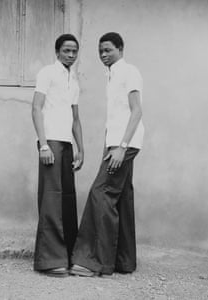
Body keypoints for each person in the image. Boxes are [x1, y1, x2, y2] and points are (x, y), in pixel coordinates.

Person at [70, 32, 144, 276]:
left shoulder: (129, 71)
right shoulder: (111, 76)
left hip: (126, 144)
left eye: (108, 50)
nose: (103, 55)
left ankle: (94, 263)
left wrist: (122, 147)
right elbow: (113, 119)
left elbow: (136, 112)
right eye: (100, 51)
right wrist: (108, 148)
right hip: (116, 145)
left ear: (120, 49)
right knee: (122, 196)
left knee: (100, 193)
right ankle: (124, 261)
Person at [32, 34, 84, 277]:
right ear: (57, 51)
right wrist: (43, 145)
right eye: (66, 50)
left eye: (74, 51)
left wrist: (81, 148)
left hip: (66, 144)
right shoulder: (47, 73)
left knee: (67, 200)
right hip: (50, 141)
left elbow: (75, 118)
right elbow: (36, 108)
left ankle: (68, 255)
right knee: (51, 199)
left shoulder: (73, 80)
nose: (70, 55)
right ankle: (49, 260)